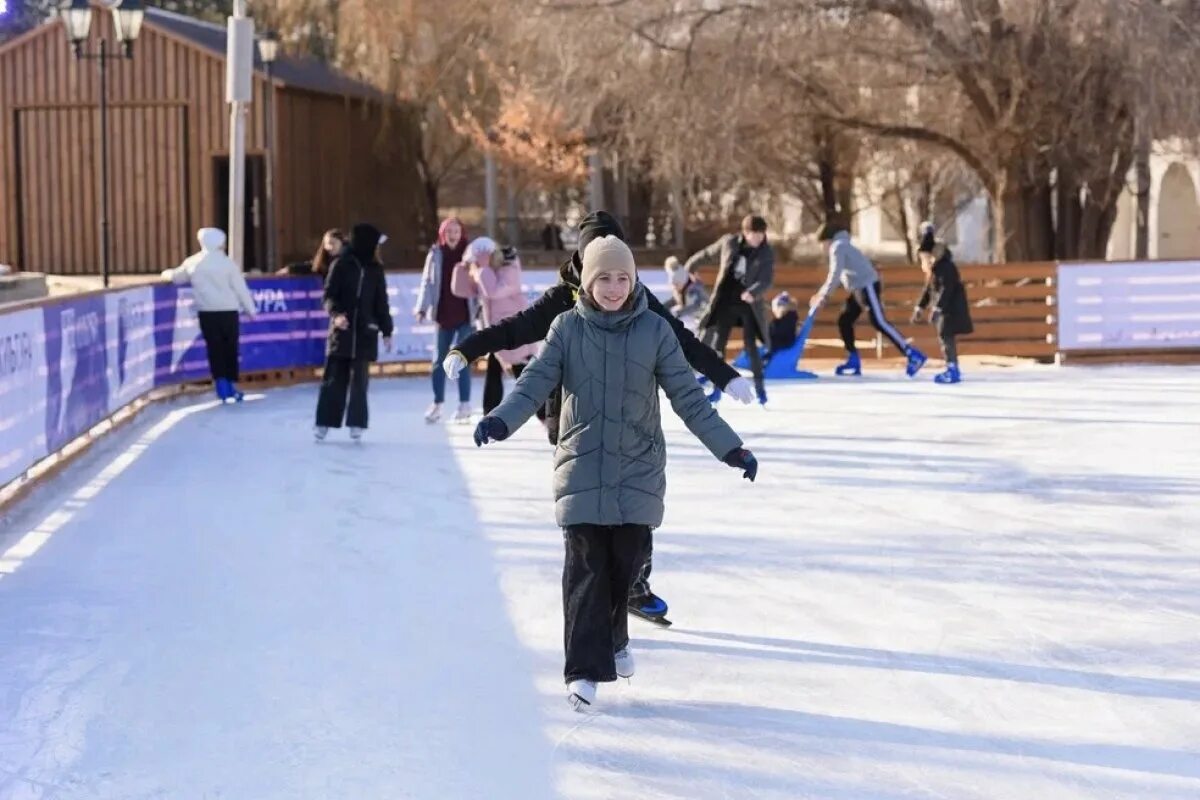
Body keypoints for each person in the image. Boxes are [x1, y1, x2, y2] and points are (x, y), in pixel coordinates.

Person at [472, 235, 758, 711]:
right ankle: (583, 672)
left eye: (622, 277)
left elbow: (688, 399)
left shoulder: (655, 331)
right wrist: (501, 419)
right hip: (582, 466)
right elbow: (533, 383)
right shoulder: (566, 329)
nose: (613, 287)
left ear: (634, 280)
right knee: (585, 570)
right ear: (586, 282)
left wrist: (732, 449)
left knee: (624, 570)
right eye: (603, 278)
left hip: (637, 471)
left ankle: (615, 638)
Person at [810, 221, 927, 377]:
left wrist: (822, 295)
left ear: (827, 240)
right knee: (844, 320)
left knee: (879, 322)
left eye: (821, 244)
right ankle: (853, 358)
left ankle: (912, 354)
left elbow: (835, 275)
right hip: (858, 288)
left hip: (867, 285)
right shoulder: (842, 245)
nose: (821, 248)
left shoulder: (837, 247)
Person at [314, 223, 394, 441]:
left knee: (360, 382)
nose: (378, 249)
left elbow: (381, 303)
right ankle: (324, 422)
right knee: (334, 379)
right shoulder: (341, 264)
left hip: (365, 333)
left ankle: (357, 423)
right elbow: (329, 296)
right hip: (342, 332)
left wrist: (387, 330)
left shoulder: (375, 269)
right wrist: (336, 314)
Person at [686, 214, 775, 406]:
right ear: (745, 232)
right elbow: (708, 253)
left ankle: (761, 391)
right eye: (755, 234)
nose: (758, 238)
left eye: (761, 234)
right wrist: (692, 266)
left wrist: (753, 292)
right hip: (725, 300)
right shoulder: (730, 242)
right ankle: (717, 390)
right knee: (717, 344)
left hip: (749, 304)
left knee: (751, 347)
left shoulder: (766, 252)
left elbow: (766, 280)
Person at [161, 228, 257, 402]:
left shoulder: (193, 262)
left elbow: (176, 276)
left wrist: (165, 273)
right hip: (229, 311)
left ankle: (221, 384)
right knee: (230, 348)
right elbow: (240, 289)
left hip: (207, 312)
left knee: (215, 349)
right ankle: (231, 384)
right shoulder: (227, 263)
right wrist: (251, 309)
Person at [454, 238, 541, 416]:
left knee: (521, 371)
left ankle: (545, 413)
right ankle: (490, 413)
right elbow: (461, 291)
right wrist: (462, 268)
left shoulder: (509, 269)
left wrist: (484, 268)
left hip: (514, 328)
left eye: (481, 259)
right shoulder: (483, 272)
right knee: (496, 371)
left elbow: (493, 292)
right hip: (497, 330)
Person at [415, 217, 474, 423]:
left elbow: (480, 281)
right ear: (443, 233)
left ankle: (465, 404)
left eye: (456, 231)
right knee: (439, 360)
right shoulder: (436, 254)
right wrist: (422, 308)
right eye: (449, 231)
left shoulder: (470, 254)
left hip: (467, 314)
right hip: (443, 314)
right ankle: (437, 403)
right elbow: (427, 282)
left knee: (462, 358)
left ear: (462, 233)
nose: (453, 235)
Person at [911, 222, 974, 384]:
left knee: (946, 336)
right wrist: (920, 306)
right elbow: (929, 289)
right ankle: (951, 367)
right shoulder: (937, 267)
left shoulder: (945, 267)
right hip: (947, 309)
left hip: (951, 309)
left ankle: (952, 369)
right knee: (944, 336)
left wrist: (938, 308)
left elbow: (947, 289)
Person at [277, 229, 345, 276]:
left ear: (341, 243)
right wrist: (290, 269)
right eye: (327, 244)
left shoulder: (351, 260)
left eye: (333, 243)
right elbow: (312, 266)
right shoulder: (324, 262)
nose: (330, 247)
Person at [663, 255, 709, 322]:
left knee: (697, 303)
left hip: (692, 295)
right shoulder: (679, 273)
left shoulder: (694, 289)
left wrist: (678, 311)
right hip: (687, 292)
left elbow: (695, 305)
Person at [766, 291, 800, 363]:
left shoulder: (789, 318)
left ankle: (768, 359)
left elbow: (780, 332)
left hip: (785, 342)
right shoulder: (789, 316)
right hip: (783, 340)